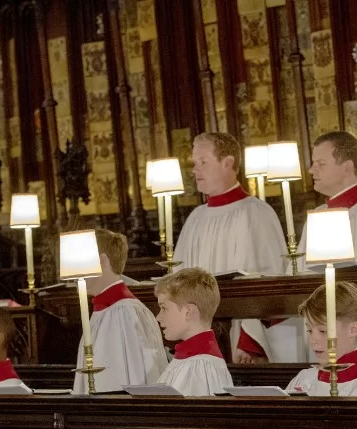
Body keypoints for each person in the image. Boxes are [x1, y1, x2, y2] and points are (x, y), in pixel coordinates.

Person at [241, 131, 357, 363]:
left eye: (320, 163)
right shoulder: (319, 215)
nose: (311, 170)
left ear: (347, 167)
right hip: (323, 328)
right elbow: (298, 281)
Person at [173, 132, 287, 364]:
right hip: (198, 338)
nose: (195, 170)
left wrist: (249, 341)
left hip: (238, 341)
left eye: (203, 162)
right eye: (194, 163)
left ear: (228, 163)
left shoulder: (255, 212)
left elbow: (266, 279)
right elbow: (178, 280)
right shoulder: (195, 217)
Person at [72, 229, 169, 394]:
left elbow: (136, 376)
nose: (73, 272)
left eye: (79, 261)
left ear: (102, 260)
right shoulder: (107, 309)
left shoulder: (126, 312)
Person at [286, 281, 357, 397]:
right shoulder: (305, 380)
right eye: (309, 330)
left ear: (353, 330)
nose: (312, 340)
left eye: (323, 331)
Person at [154, 267, 234, 396]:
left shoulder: (201, 365)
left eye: (164, 308)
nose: (158, 317)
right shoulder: (191, 360)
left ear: (188, 312)